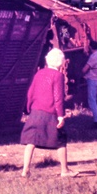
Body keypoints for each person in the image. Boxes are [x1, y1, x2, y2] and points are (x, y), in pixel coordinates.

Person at [20, 48, 78, 178]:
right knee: (61, 140)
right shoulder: (58, 75)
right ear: (61, 62)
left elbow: (30, 92)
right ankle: (65, 171)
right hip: (50, 112)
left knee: (31, 140)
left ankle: (25, 171)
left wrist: (29, 108)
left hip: (36, 111)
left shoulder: (39, 73)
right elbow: (58, 98)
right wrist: (61, 116)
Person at [82, 41, 97, 128]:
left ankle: (96, 121)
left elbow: (85, 69)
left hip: (93, 80)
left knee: (92, 101)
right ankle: (96, 120)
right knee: (93, 99)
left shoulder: (93, 57)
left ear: (90, 47)